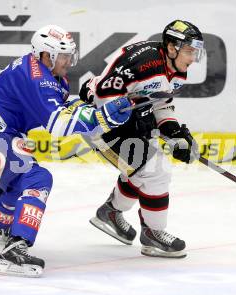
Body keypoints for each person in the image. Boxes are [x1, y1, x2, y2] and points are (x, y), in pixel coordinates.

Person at [0, 24, 132, 277]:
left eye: (70, 55)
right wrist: (102, 117)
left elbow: (63, 108)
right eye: (63, 56)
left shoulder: (46, 74)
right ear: (45, 55)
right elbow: (59, 125)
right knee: (36, 178)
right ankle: (15, 249)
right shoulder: (37, 76)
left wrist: (94, 108)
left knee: (18, 181)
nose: (69, 61)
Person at [79, 20, 205, 258]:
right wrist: (137, 118)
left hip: (124, 123)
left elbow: (160, 103)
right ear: (171, 47)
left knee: (144, 169)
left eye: (195, 52)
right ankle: (152, 234)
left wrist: (174, 133)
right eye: (189, 50)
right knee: (156, 170)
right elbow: (104, 100)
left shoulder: (177, 69)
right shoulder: (141, 62)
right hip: (100, 123)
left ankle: (110, 213)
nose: (192, 58)